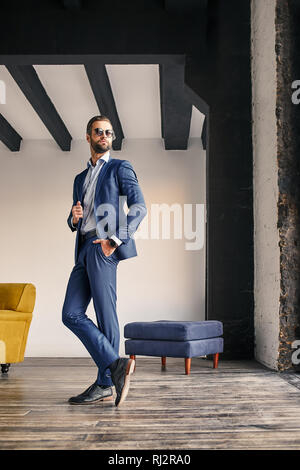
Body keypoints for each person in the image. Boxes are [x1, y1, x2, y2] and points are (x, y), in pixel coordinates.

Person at [62, 115, 147, 407]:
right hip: (83, 247)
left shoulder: (119, 168)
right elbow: (77, 216)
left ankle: (104, 383)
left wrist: (115, 240)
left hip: (103, 247)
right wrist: (72, 219)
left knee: (105, 315)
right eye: (98, 132)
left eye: (108, 133)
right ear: (88, 137)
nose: (104, 136)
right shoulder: (79, 179)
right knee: (70, 313)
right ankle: (114, 367)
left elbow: (140, 207)